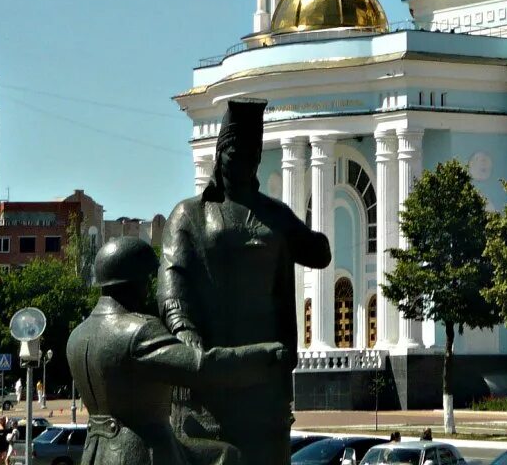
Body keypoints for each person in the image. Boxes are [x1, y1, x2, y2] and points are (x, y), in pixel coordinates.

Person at [160, 100, 331, 465]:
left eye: (253, 154)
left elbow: (319, 254)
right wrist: (183, 331)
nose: (245, 162)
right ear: (220, 153)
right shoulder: (189, 214)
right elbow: (173, 281)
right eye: (236, 153)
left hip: (265, 378)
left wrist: (298, 232)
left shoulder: (273, 213)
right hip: (211, 375)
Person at [68, 235, 289, 465]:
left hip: (95, 453)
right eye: (147, 279)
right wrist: (265, 355)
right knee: (230, 456)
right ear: (138, 281)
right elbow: (201, 367)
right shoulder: (139, 330)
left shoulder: (77, 336)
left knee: (222, 454)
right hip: (143, 453)